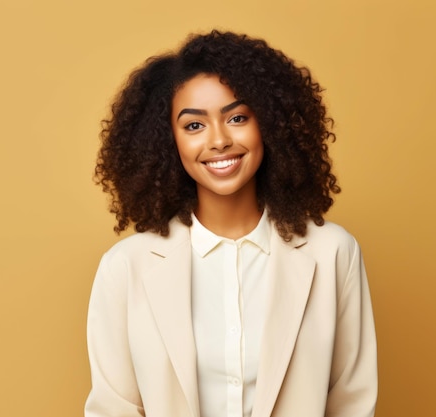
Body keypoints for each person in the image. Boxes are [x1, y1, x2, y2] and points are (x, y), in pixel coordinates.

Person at [85, 30, 377, 417]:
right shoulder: (126, 267)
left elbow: (352, 403)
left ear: (270, 125)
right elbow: (113, 409)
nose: (219, 140)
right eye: (194, 126)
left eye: (237, 118)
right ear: (167, 141)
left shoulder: (333, 253)